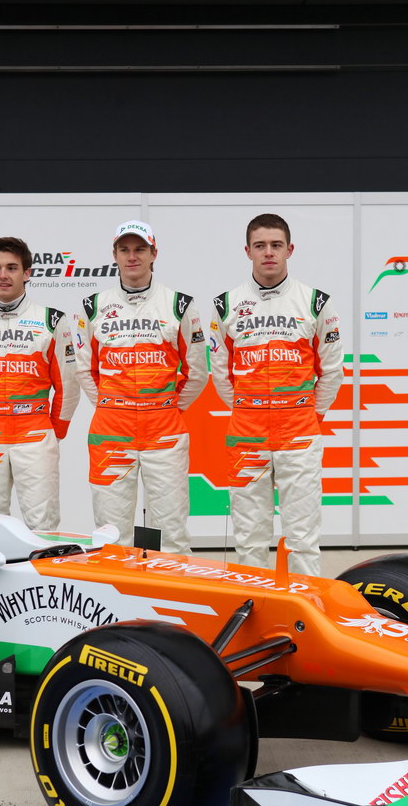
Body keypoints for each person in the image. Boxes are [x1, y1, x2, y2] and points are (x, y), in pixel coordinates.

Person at [210, 213, 343, 576]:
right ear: (248, 251)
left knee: (302, 536)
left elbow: (331, 372)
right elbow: (221, 374)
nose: (268, 253)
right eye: (260, 246)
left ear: (290, 249)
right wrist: (248, 410)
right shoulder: (225, 305)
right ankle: (253, 618)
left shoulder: (316, 302)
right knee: (249, 537)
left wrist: (309, 417)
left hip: (299, 432)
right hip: (246, 433)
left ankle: (305, 621)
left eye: (276, 245)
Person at [76, 219, 208, 552]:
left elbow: (197, 373)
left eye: (139, 249)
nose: (132, 256)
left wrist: (168, 407)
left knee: (171, 531)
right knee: (110, 534)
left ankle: (174, 600)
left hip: (164, 428)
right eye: (124, 250)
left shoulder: (179, 304)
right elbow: (85, 370)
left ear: (154, 254)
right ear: (115, 255)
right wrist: (111, 404)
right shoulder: (92, 307)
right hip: (111, 430)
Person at [0, 235, 79, 531]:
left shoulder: (51, 319)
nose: (3, 276)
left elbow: (68, 384)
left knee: (42, 525)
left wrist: (54, 430)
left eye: (11, 268)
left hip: (34, 434)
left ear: (27, 273)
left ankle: (44, 577)